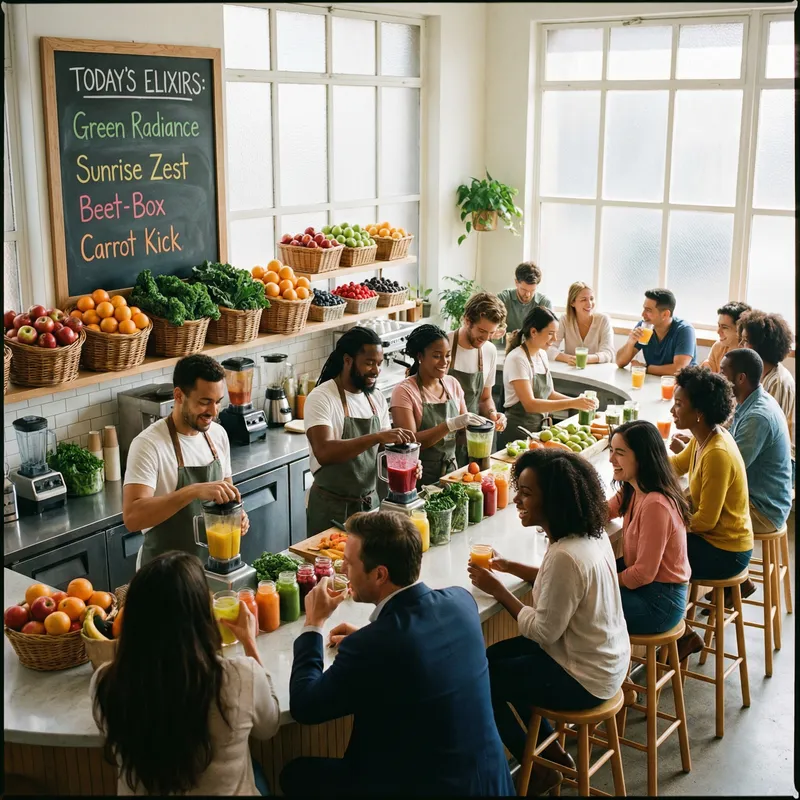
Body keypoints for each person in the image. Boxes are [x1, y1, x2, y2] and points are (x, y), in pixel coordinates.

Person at [279, 511, 515, 797]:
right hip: (492, 783)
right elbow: (416, 647)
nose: (342, 568)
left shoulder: (372, 646)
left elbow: (305, 706)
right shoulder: (461, 602)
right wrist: (371, 638)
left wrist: (314, 624)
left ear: (380, 574)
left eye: (349, 563)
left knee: (295, 775)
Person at [468, 450, 629, 797]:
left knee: (481, 679)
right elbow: (560, 584)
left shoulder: (565, 555)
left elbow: (543, 631)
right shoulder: (588, 535)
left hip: (585, 678)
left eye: (526, 493)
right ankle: (549, 750)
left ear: (553, 500)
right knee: (490, 659)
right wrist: (508, 566)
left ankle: (539, 768)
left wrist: (498, 590)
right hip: (604, 659)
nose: (517, 500)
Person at [91, 551, 279, 796]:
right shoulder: (239, 677)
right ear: (202, 617)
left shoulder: (106, 682)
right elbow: (269, 727)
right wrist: (250, 643)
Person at [122, 354, 248, 569]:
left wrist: (236, 515)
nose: (213, 412)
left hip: (212, 569)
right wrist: (192, 491)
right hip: (164, 574)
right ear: (179, 396)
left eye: (218, 402)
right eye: (204, 402)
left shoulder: (218, 434)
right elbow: (132, 517)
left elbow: (227, 494)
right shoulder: (148, 444)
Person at [668, 366, 753, 655]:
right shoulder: (703, 436)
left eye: (679, 404)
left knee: (658, 556)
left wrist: (670, 523)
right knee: (657, 549)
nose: (672, 410)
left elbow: (705, 521)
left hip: (726, 550)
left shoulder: (716, 452)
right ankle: (678, 631)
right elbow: (676, 465)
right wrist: (641, 462)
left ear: (699, 412)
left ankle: (681, 634)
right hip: (716, 540)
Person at [304, 327, 417, 537]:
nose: (376, 370)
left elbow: (383, 455)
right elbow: (324, 452)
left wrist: (406, 465)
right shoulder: (321, 397)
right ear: (348, 361)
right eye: (369, 363)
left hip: (369, 507)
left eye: (379, 364)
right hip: (331, 510)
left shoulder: (376, 399)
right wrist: (376, 436)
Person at [607, 420, 691, 635]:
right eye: (611, 450)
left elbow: (643, 574)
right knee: (585, 588)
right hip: (648, 588)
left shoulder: (655, 504)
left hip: (659, 602)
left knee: (584, 605)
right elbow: (604, 511)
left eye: (619, 453)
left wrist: (605, 581)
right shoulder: (633, 487)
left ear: (642, 458)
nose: (611, 459)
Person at [390, 325, 482, 486]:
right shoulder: (404, 391)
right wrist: (449, 425)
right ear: (420, 356)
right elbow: (410, 443)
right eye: (437, 356)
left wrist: (483, 427)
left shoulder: (452, 384)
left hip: (452, 475)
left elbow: (463, 432)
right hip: (418, 478)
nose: (444, 362)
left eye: (447, 355)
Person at [498, 306, 596, 449]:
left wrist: (582, 402)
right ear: (533, 332)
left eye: (555, 334)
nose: (555, 339)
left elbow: (549, 394)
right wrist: (573, 403)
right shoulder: (517, 359)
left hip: (539, 432)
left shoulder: (542, 354)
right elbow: (530, 404)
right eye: (550, 334)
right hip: (517, 434)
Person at [720, 348, 792, 538]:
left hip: (763, 509)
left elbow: (729, 469)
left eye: (723, 373)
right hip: (755, 496)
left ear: (740, 378)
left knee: (689, 513)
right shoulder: (750, 401)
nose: (718, 378)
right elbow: (727, 442)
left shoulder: (757, 417)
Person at [448, 292, 507, 465]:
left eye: (491, 333)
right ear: (467, 321)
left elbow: (485, 398)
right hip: (444, 441)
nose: (486, 338)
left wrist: (493, 414)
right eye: (482, 331)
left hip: (475, 440)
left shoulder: (489, 351)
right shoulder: (444, 344)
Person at [737, 309, 795, 472]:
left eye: (745, 341)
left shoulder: (778, 382)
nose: (740, 346)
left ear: (761, 346)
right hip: (756, 448)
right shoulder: (757, 375)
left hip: (779, 462)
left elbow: (762, 432)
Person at [615, 288, 697, 376]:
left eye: (648, 310)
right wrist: (630, 343)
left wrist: (645, 369)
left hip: (682, 383)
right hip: (653, 381)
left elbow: (679, 369)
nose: (643, 314)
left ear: (665, 314)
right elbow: (620, 362)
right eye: (644, 309)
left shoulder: (684, 330)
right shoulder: (645, 326)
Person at [548, 282, 615, 365]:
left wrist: (586, 359)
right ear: (572, 302)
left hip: (596, 370)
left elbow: (608, 353)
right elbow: (549, 348)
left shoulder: (603, 320)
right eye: (583, 300)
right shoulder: (564, 320)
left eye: (591, 299)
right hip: (570, 369)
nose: (589, 304)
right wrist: (569, 359)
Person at [496, 261, 553, 341]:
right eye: (524, 289)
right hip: (505, 347)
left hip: (532, 347)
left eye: (532, 290)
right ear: (516, 282)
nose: (528, 295)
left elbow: (547, 335)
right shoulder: (503, 298)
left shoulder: (545, 303)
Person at [701, 301, 752, 373]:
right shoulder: (718, 347)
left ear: (740, 329)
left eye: (724, 327)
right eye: (719, 325)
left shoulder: (751, 355)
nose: (718, 331)